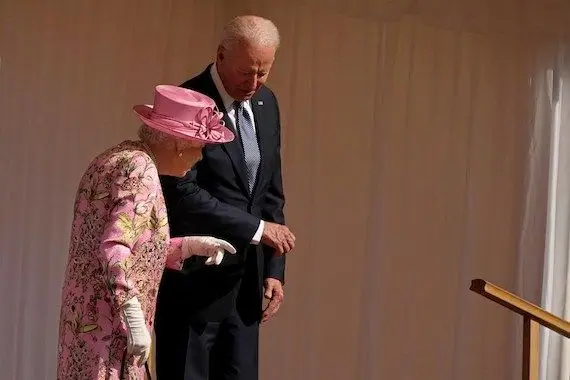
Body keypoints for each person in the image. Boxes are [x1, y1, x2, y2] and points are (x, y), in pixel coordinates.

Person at [56, 85, 238, 380]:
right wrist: (132, 318)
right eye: (199, 147)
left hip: (83, 325)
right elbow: (114, 250)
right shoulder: (140, 171)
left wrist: (190, 246)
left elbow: (127, 244)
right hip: (109, 331)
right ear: (180, 144)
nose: (200, 158)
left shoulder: (116, 157)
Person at [155, 15, 296, 380]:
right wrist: (257, 228)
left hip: (245, 285)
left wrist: (274, 268)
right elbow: (181, 191)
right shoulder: (188, 102)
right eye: (246, 72)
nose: (254, 83)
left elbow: (270, 190)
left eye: (263, 73)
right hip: (194, 285)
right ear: (220, 56)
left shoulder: (267, 103)